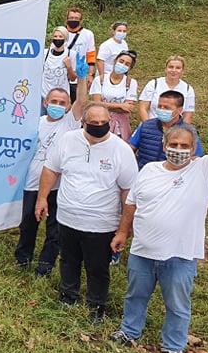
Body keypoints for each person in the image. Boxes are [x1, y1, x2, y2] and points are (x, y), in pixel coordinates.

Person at [108, 103, 208, 353]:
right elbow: (132, 204)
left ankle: (173, 345)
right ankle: (129, 331)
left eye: (185, 146)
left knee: (177, 303)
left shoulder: (203, 171)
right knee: (135, 296)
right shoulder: (149, 170)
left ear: (194, 149)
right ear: (164, 146)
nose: (178, 149)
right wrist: (122, 232)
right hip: (142, 250)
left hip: (179, 255)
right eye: (174, 144)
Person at [36, 102, 139, 324]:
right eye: (94, 123)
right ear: (83, 123)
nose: (99, 126)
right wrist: (42, 198)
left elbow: (128, 191)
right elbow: (51, 169)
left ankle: (96, 305)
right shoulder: (67, 140)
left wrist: (124, 227)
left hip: (101, 224)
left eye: (104, 122)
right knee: (68, 260)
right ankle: (68, 295)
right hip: (67, 218)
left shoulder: (121, 150)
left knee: (97, 267)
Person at [15, 56, 90, 275]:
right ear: (46, 103)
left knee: (54, 229)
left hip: (59, 185)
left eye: (62, 103)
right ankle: (23, 258)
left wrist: (82, 78)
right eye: (54, 101)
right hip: (32, 182)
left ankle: (46, 264)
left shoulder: (70, 122)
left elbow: (82, 102)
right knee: (28, 223)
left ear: (67, 107)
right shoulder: (35, 123)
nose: (57, 105)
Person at [129, 90, 202, 169]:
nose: (162, 109)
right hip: (143, 173)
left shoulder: (189, 132)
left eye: (166, 107)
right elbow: (130, 149)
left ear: (180, 110)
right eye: (159, 106)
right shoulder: (146, 126)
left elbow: (195, 159)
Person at [90, 50, 138, 141]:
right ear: (115, 61)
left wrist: (105, 105)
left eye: (127, 64)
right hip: (100, 123)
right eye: (121, 61)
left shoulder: (131, 83)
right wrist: (120, 106)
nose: (123, 65)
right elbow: (96, 104)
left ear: (130, 68)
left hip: (120, 128)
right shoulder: (100, 80)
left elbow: (128, 108)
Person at [138, 55, 195, 124]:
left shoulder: (188, 89)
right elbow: (142, 108)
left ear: (182, 71)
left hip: (175, 129)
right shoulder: (153, 84)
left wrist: (181, 129)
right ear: (166, 69)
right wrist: (149, 126)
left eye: (178, 68)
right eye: (171, 67)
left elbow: (188, 115)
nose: (174, 70)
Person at [64, 8, 97, 103]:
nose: (73, 20)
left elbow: (91, 55)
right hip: (62, 75)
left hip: (79, 76)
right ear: (67, 19)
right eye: (71, 18)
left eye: (76, 18)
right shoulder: (61, 32)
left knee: (78, 103)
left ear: (81, 20)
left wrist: (90, 74)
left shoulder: (88, 34)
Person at [39, 26, 79, 102]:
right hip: (44, 95)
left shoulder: (71, 54)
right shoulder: (45, 53)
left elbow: (72, 78)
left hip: (61, 97)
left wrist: (69, 67)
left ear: (65, 38)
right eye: (55, 36)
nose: (57, 38)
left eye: (60, 36)